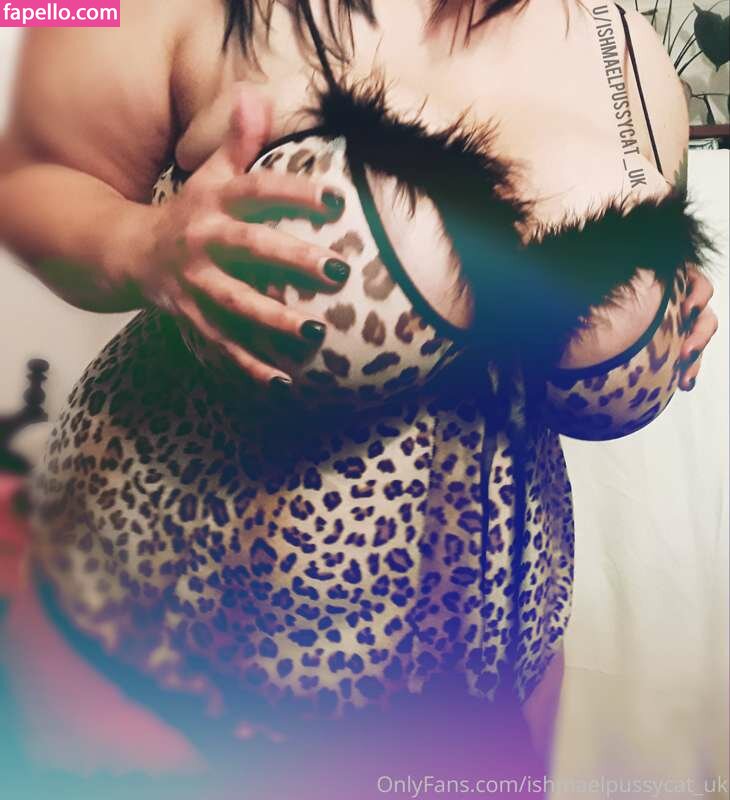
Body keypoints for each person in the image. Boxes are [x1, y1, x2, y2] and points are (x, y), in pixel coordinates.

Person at [0, 0, 718, 795]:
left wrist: (666, 320)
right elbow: (29, 178)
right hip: (156, 675)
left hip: (485, 698)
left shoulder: (632, 55)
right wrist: (139, 244)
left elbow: (634, 289)